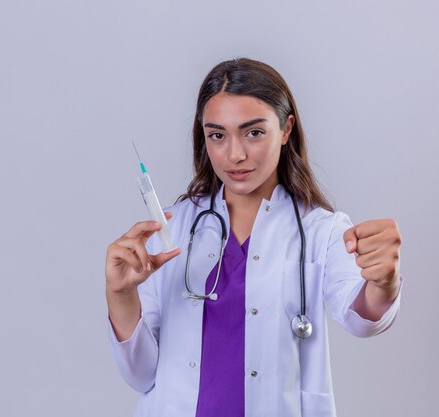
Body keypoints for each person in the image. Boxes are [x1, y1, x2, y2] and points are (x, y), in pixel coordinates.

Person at [105, 58, 403, 417]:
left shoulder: (320, 230)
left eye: (254, 132)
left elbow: (363, 318)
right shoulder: (172, 228)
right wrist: (121, 295)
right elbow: (141, 374)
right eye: (217, 135)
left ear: (286, 128)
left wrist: (383, 283)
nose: (235, 154)